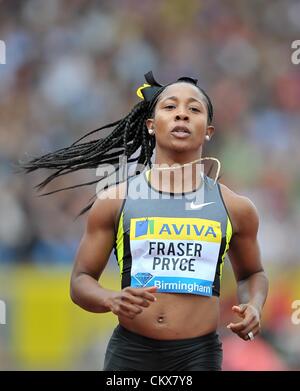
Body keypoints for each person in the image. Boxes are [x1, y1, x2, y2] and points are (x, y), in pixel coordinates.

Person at [23, 71, 269, 371]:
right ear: (151, 126)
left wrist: (254, 305)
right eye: (170, 107)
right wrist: (111, 299)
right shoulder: (115, 201)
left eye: (194, 109)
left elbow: (252, 274)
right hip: (131, 353)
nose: (182, 114)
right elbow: (80, 281)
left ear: (208, 130)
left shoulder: (235, 207)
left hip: (198, 356)